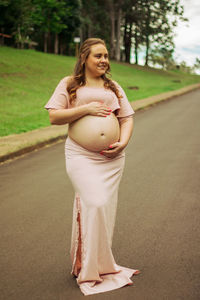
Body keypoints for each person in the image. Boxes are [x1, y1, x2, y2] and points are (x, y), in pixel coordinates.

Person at [45, 38, 139, 296]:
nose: (104, 60)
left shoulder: (114, 87)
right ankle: (87, 266)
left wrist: (123, 142)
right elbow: (54, 116)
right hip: (80, 156)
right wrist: (86, 108)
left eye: (106, 55)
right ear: (84, 57)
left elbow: (127, 117)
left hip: (111, 159)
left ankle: (97, 263)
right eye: (98, 55)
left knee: (102, 210)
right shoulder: (70, 84)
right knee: (94, 202)